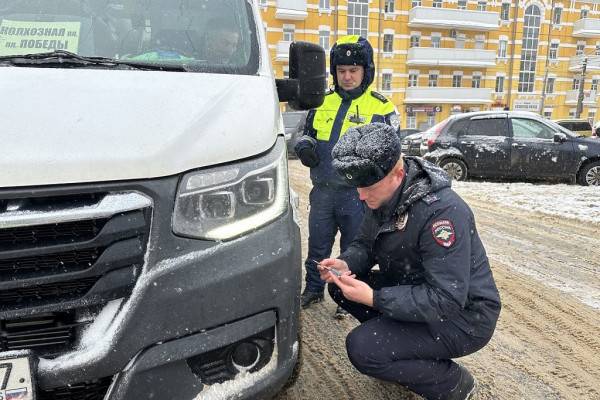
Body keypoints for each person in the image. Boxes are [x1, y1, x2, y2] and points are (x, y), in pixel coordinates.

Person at [318, 122, 501, 400]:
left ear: (398, 174)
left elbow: (446, 299)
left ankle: (452, 384)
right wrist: (346, 264)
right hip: (415, 286)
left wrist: (375, 299)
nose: (360, 195)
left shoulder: (442, 215)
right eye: (357, 186)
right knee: (340, 287)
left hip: (465, 316)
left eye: (368, 187)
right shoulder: (385, 196)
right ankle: (401, 349)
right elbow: (365, 245)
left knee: (363, 349)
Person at [294, 35, 399, 317]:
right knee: (318, 246)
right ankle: (314, 289)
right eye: (341, 71)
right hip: (324, 192)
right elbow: (305, 135)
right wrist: (304, 147)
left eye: (354, 70)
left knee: (354, 249)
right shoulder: (321, 101)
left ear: (366, 71)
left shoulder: (381, 108)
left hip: (358, 196)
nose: (348, 76)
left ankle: (346, 297)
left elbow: (392, 153)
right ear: (334, 73)